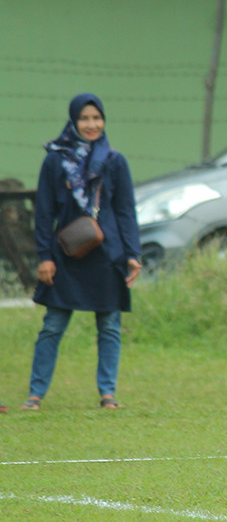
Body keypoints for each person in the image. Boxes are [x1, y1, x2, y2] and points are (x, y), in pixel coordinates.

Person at [22, 93, 141, 411]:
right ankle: (35, 395)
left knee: (110, 326)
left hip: (107, 254)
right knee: (52, 325)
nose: (92, 125)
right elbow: (44, 213)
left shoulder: (115, 161)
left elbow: (126, 210)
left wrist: (133, 253)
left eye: (97, 118)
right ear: (74, 121)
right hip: (66, 255)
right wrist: (44, 257)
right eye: (85, 119)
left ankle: (108, 394)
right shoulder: (55, 160)